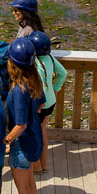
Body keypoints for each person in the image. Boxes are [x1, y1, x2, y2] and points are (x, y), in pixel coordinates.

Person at [2, 36, 45, 194]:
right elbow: (41, 105)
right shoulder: (35, 79)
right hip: (35, 138)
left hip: (22, 143)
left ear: (12, 63)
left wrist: (7, 141)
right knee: (29, 181)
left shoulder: (19, 89)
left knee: (22, 187)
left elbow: (20, 124)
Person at [29, 31, 68, 174]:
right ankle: (44, 163)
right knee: (42, 130)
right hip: (51, 101)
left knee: (34, 133)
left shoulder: (34, 62)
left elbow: (37, 83)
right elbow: (63, 73)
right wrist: (56, 88)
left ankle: (37, 165)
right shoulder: (50, 58)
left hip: (40, 103)